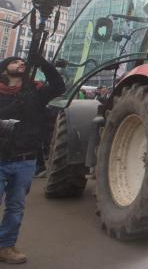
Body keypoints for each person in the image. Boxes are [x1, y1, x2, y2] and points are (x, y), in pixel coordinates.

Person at [0, 55, 65, 264]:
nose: (20, 63)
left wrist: (43, 64)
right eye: (14, 61)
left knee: (16, 206)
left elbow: (58, 86)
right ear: (3, 70)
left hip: (24, 158)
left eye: (23, 62)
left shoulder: (34, 93)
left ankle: (6, 246)